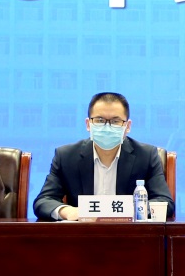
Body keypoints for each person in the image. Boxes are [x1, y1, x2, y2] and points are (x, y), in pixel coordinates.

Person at [34, 92, 175, 221]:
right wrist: (68, 211)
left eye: (115, 121)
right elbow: (44, 201)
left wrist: (129, 211)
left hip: (129, 236)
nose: (107, 127)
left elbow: (164, 202)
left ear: (127, 126)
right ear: (88, 124)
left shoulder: (146, 155)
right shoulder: (66, 156)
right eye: (100, 120)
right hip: (83, 235)